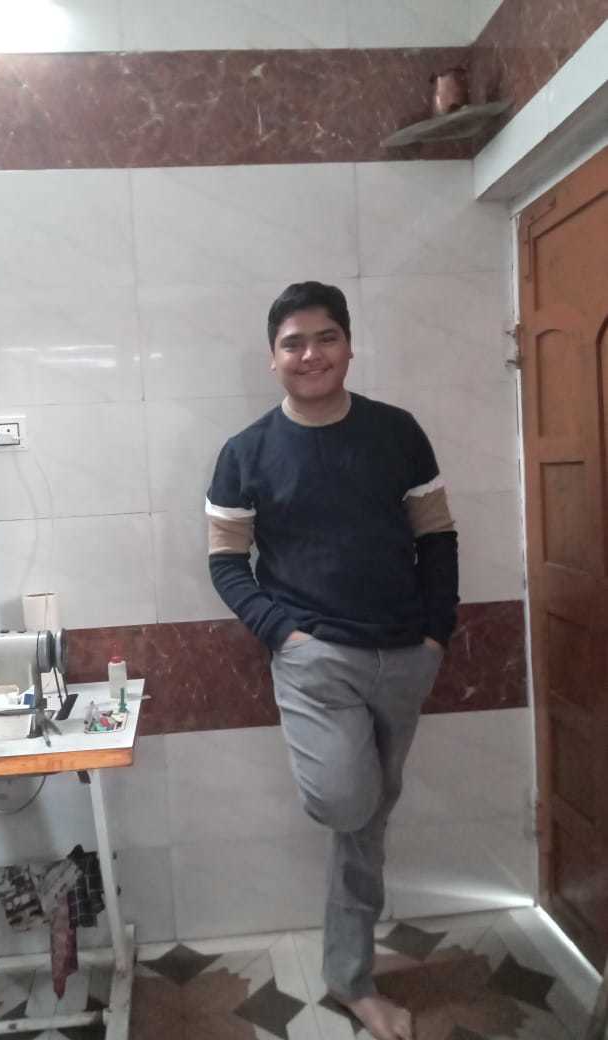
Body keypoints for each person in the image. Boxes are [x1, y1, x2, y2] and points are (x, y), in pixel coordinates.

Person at [205, 281, 458, 1040]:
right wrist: (285, 636)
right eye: (293, 343)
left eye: (326, 338)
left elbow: (437, 537)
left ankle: (351, 979)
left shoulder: (398, 433)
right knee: (350, 806)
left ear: (348, 345)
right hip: (316, 661)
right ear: (272, 356)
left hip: (406, 654)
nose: (310, 354)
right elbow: (226, 563)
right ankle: (354, 973)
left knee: (366, 830)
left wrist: (436, 633)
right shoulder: (245, 453)